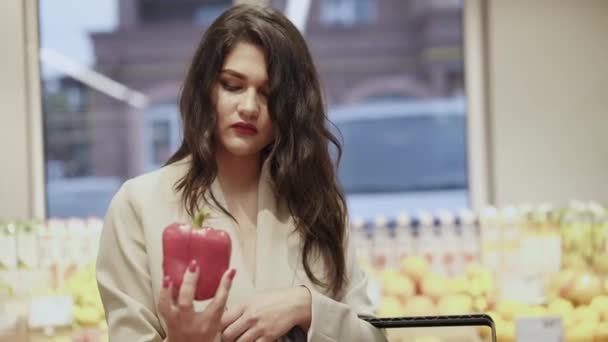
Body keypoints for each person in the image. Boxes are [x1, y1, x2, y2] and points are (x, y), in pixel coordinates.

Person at [96, 4, 386, 342]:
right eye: (233, 86)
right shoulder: (140, 205)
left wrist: (307, 307)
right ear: (207, 90)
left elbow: (374, 336)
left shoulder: (317, 206)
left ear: (291, 107)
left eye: (268, 93)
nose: (249, 107)